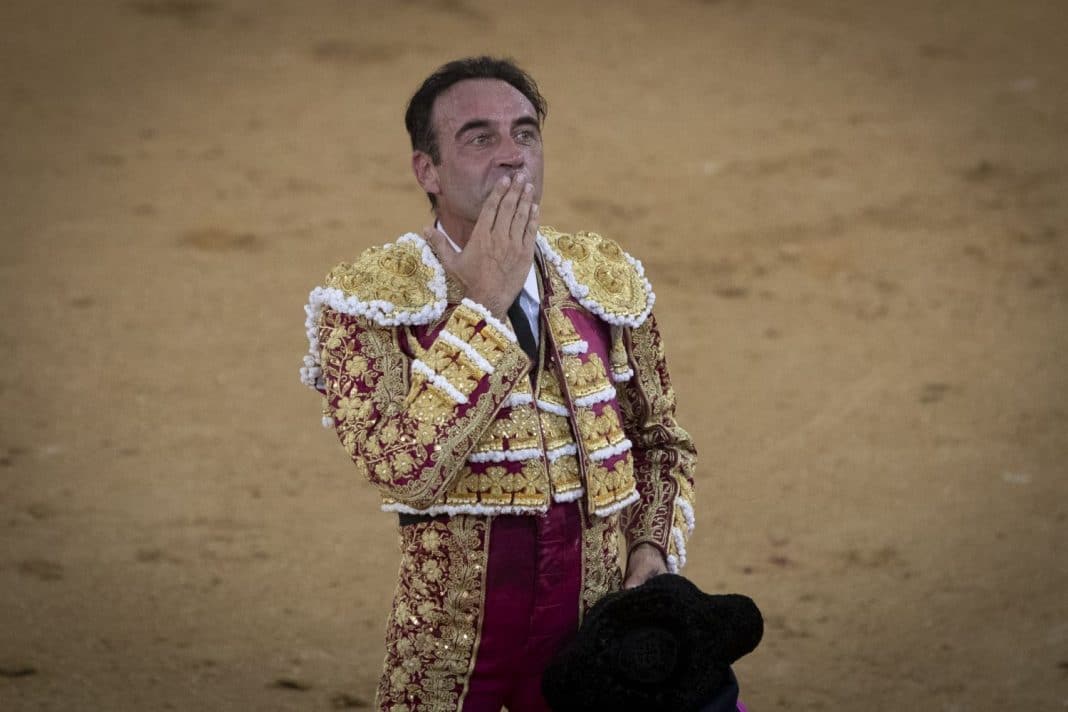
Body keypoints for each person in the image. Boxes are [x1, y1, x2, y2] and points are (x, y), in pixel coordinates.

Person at [299, 56, 697, 711]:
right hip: (449, 650)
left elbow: (657, 440)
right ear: (427, 170)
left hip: (592, 635)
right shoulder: (369, 303)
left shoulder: (604, 279)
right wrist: (483, 304)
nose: (511, 156)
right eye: (480, 138)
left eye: (526, 133)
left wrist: (650, 550)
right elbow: (404, 472)